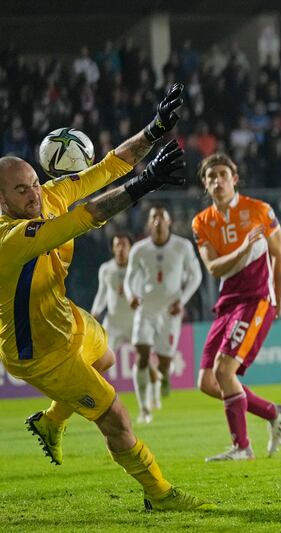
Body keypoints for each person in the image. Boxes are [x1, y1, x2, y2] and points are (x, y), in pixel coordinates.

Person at [0, 84, 212, 510]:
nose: (35, 194)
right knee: (115, 418)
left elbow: (107, 166)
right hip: (39, 351)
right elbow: (85, 218)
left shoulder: (49, 196)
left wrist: (155, 129)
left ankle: (51, 422)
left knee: (107, 359)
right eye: (21, 191)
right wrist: (144, 184)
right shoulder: (10, 238)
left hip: (65, 318)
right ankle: (159, 494)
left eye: (33, 183)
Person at [192, 152, 281, 462]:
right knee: (207, 382)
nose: (217, 180)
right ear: (205, 185)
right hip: (228, 302)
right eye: (211, 177)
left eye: (222, 174)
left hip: (256, 298)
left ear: (234, 179)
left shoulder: (259, 210)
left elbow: (280, 255)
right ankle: (274, 413)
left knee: (225, 370)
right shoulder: (202, 222)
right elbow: (213, 268)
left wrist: (278, 297)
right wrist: (244, 248)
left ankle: (242, 447)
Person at [124, 206, 202, 423]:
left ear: (170, 223)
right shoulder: (139, 249)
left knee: (165, 361)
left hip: (170, 311)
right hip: (146, 308)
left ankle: (163, 376)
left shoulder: (182, 246)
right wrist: (131, 295)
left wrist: (182, 300)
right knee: (141, 355)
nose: (157, 221)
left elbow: (196, 276)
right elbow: (129, 278)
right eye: (153, 218)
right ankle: (144, 409)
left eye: (161, 217)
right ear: (149, 224)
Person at [91, 232, 135, 355]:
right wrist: (95, 311)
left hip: (134, 321)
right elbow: (102, 293)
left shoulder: (137, 267)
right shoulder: (106, 269)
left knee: (145, 357)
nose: (121, 248)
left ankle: (156, 374)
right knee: (101, 356)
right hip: (113, 322)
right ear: (113, 248)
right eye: (117, 245)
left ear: (130, 247)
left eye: (124, 245)